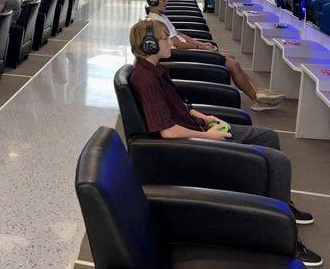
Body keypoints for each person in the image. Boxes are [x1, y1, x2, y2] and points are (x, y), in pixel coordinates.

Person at [128, 19, 322, 266]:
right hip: (190, 143)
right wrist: (209, 136)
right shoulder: (145, 79)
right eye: (165, 39)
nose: (171, 43)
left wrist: (202, 116)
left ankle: (281, 206)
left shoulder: (155, 71)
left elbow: (177, 107)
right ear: (149, 45)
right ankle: (286, 238)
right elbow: (167, 131)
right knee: (278, 162)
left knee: (268, 137)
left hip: (197, 128)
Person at [145, 0, 284, 111]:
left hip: (189, 49)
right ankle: (257, 98)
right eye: (163, 0)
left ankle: (259, 90)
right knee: (233, 64)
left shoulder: (161, 17)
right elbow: (178, 43)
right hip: (185, 55)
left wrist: (199, 42)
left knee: (231, 58)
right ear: (153, 2)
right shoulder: (157, 21)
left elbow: (179, 34)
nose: (166, 2)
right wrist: (200, 47)